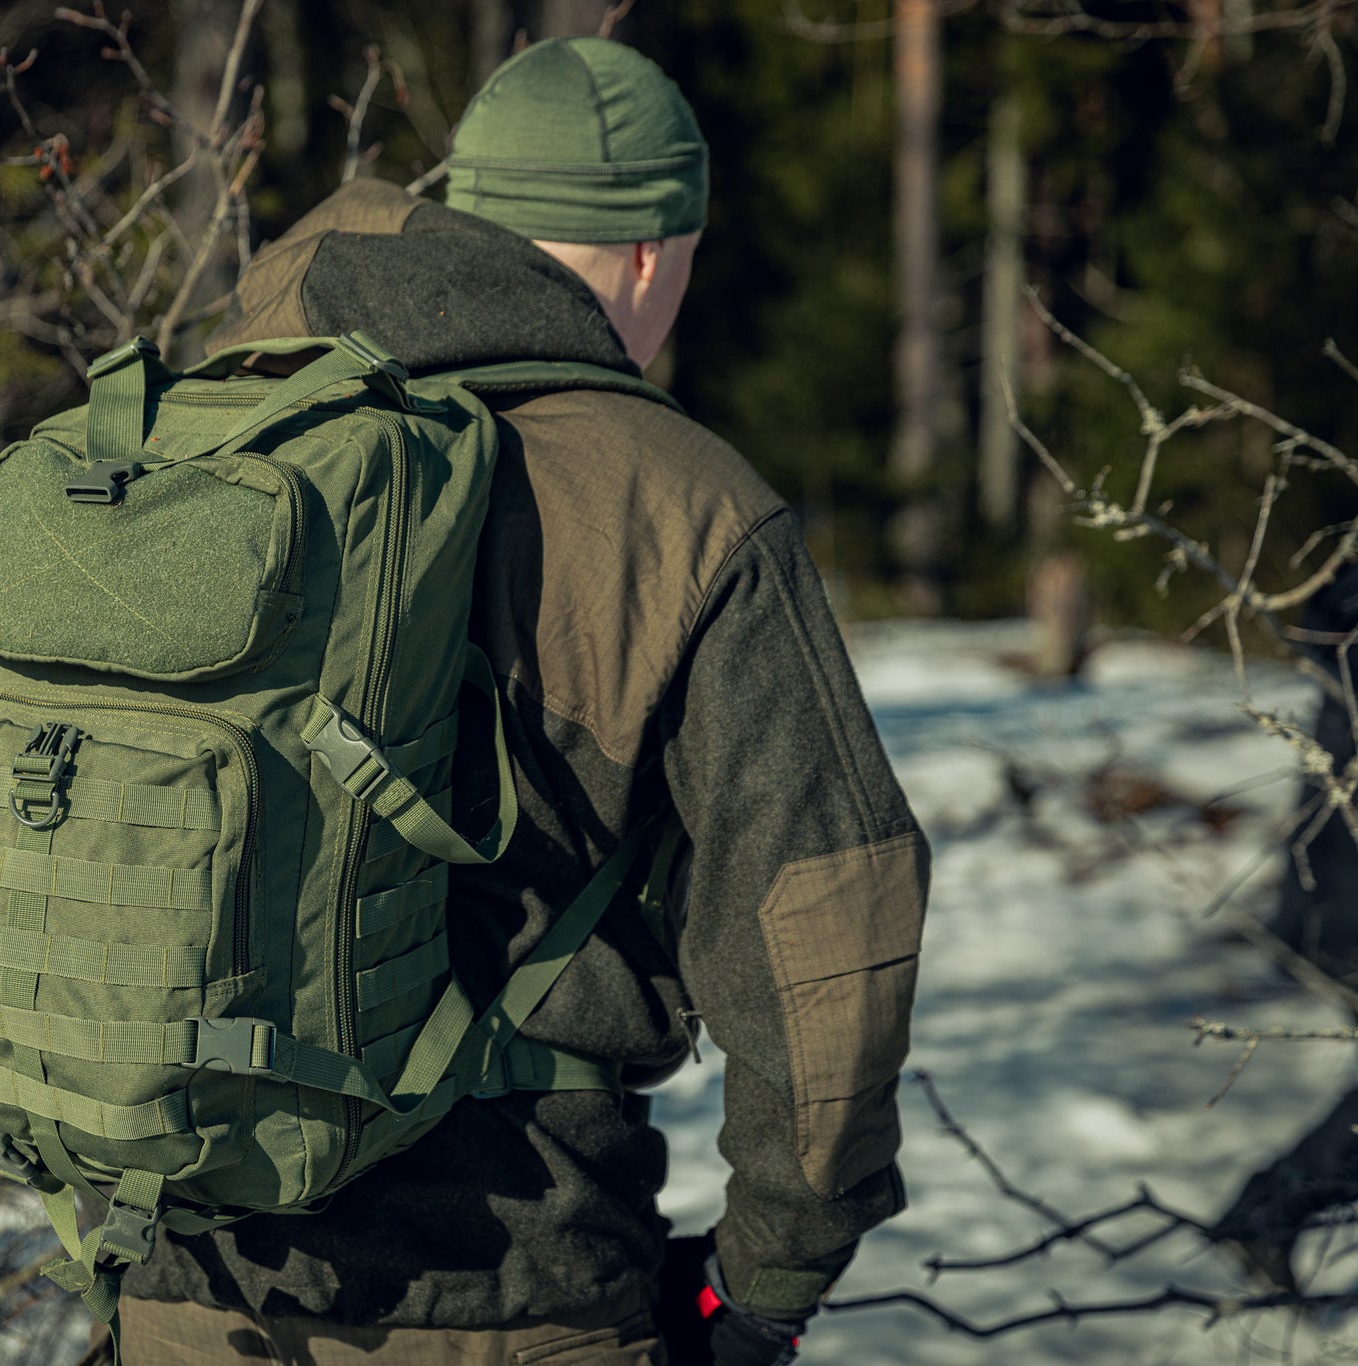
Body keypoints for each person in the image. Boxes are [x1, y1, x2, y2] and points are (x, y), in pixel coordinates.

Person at [108, 36, 930, 1365]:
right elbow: (829, 931)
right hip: (515, 1299)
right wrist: (764, 1279)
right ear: (655, 256)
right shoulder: (680, 504)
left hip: (189, 1285)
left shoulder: (206, 437)